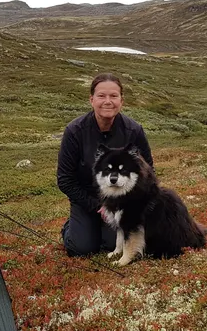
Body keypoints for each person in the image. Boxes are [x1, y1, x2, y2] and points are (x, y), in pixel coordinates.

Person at [57, 73, 154, 256]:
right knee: (81, 248)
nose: (107, 101)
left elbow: (148, 173)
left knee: (113, 244)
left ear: (121, 101)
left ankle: (100, 231)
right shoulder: (74, 131)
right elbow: (65, 180)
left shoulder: (134, 131)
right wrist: (97, 206)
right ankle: (71, 227)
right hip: (86, 199)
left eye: (113, 96)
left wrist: (130, 204)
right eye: (101, 96)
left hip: (122, 200)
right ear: (91, 100)